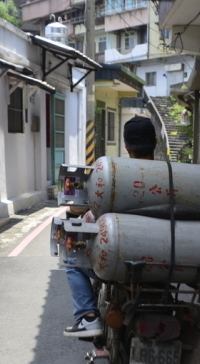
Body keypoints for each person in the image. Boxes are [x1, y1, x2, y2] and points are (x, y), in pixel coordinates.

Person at [63, 116, 157, 337]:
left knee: (72, 260)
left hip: (121, 262)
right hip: (163, 261)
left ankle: (88, 317)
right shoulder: (174, 176)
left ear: (126, 146)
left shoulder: (115, 175)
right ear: (155, 142)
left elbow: (94, 212)